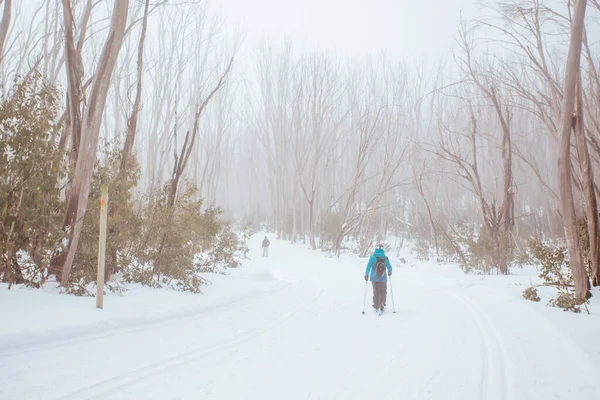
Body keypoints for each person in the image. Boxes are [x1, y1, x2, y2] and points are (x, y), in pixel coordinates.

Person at [364, 244, 392, 313]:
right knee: (382, 291)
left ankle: (376, 305)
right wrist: (389, 271)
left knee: (375, 291)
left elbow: (368, 267)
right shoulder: (385, 257)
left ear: (376, 249)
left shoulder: (372, 257)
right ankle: (382, 304)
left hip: (374, 278)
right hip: (383, 278)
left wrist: (366, 275)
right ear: (383, 249)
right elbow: (389, 266)